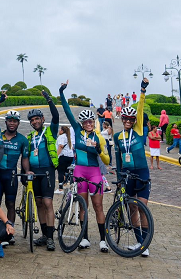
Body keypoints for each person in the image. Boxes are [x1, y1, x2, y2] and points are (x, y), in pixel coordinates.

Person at [61, 81, 110, 252]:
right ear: (82, 123)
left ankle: (103, 240)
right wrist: (61, 92)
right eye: (86, 122)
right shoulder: (77, 130)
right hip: (80, 171)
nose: (89, 124)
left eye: (91, 121)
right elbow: (67, 111)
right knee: (83, 206)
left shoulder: (99, 137)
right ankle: (85, 238)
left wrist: (98, 149)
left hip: (95, 173)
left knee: (98, 206)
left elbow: (107, 160)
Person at [114, 78, 152, 257]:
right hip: (128, 174)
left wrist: (142, 90)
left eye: (131, 119)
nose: (128, 121)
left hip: (142, 173)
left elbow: (140, 107)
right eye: (125, 119)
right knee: (132, 208)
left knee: (142, 207)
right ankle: (138, 242)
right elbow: (118, 156)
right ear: (122, 119)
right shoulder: (118, 136)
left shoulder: (139, 131)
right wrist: (121, 175)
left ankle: (145, 244)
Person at [22, 90, 60, 251]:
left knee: (47, 202)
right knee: (38, 203)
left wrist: (49, 100)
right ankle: (45, 235)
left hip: (47, 172)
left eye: (37, 118)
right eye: (32, 120)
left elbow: (56, 117)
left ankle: (51, 238)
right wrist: (27, 171)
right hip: (34, 173)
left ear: (42, 119)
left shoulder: (50, 131)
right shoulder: (30, 137)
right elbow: (25, 156)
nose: (35, 121)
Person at [0, 110, 29, 243]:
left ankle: (10, 232)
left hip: (11, 175)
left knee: (10, 204)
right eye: (9, 120)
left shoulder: (22, 139)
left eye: (14, 121)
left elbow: (25, 158)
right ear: (6, 122)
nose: (12, 123)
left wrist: (26, 171)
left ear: (18, 123)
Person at [56, 125, 74, 193]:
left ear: (62, 131)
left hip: (63, 156)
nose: (59, 130)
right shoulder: (68, 137)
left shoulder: (61, 137)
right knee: (66, 171)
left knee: (60, 172)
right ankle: (65, 184)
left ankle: (60, 188)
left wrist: (57, 156)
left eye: (60, 129)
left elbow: (61, 146)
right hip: (70, 156)